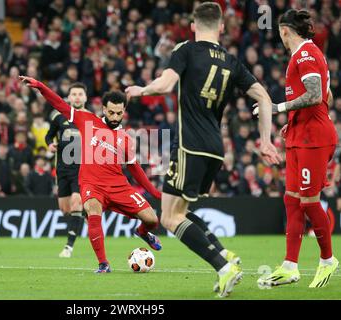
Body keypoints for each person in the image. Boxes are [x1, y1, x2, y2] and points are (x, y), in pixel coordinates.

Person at [125, 2, 280, 297]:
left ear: (193, 26)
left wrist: (140, 90)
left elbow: (166, 84)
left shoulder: (186, 49)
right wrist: (266, 140)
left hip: (190, 145)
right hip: (216, 148)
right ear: (222, 27)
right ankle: (226, 256)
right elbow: (262, 95)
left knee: (169, 217)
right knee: (180, 211)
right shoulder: (232, 60)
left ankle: (223, 267)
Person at [20, 75, 162, 273]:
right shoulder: (86, 120)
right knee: (93, 211)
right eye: (110, 112)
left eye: (118, 113)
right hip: (91, 185)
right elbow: (60, 104)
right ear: (103, 109)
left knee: (152, 220)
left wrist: (155, 193)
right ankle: (103, 264)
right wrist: (41, 87)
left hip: (119, 187)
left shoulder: (125, 139)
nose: (114, 117)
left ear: (124, 112)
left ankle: (141, 232)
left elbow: (135, 170)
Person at [253, 9, 339, 289]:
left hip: (314, 137)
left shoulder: (304, 55)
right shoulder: (306, 55)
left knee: (309, 201)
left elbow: (315, 95)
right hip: (301, 133)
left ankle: (328, 260)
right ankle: (290, 266)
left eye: (280, 32)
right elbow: (327, 94)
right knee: (292, 199)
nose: (280, 37)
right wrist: (294, 121)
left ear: (285, 31)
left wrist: (278, 108)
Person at [44, 82, 87, 258]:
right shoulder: (58, 117)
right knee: (65, 208)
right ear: (68, 98)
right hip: (62, 168)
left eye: (80, 94)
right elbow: (48, 135)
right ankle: (83, 216)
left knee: (77, 202)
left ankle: (69, 247)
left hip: (82, 168)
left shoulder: (91, 118)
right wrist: (50, 145)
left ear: (85, 97)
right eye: (74, 94)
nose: (77, 97)